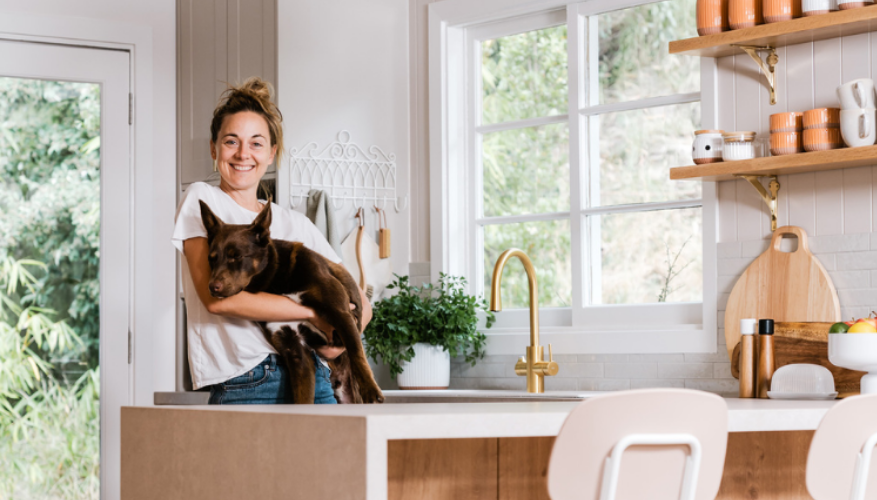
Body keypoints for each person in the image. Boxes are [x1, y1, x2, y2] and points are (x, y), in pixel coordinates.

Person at [172, 77, 371, 404]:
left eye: (256, 143)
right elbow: (219, 299)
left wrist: (339, 341)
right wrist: (314, 313)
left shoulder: (296, 224)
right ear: (213, 148)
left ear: (271, 154)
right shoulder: (202, 200)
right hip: (247, 383)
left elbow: (362, 303)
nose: (243, 154)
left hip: (316, 380)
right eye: (231, 141)